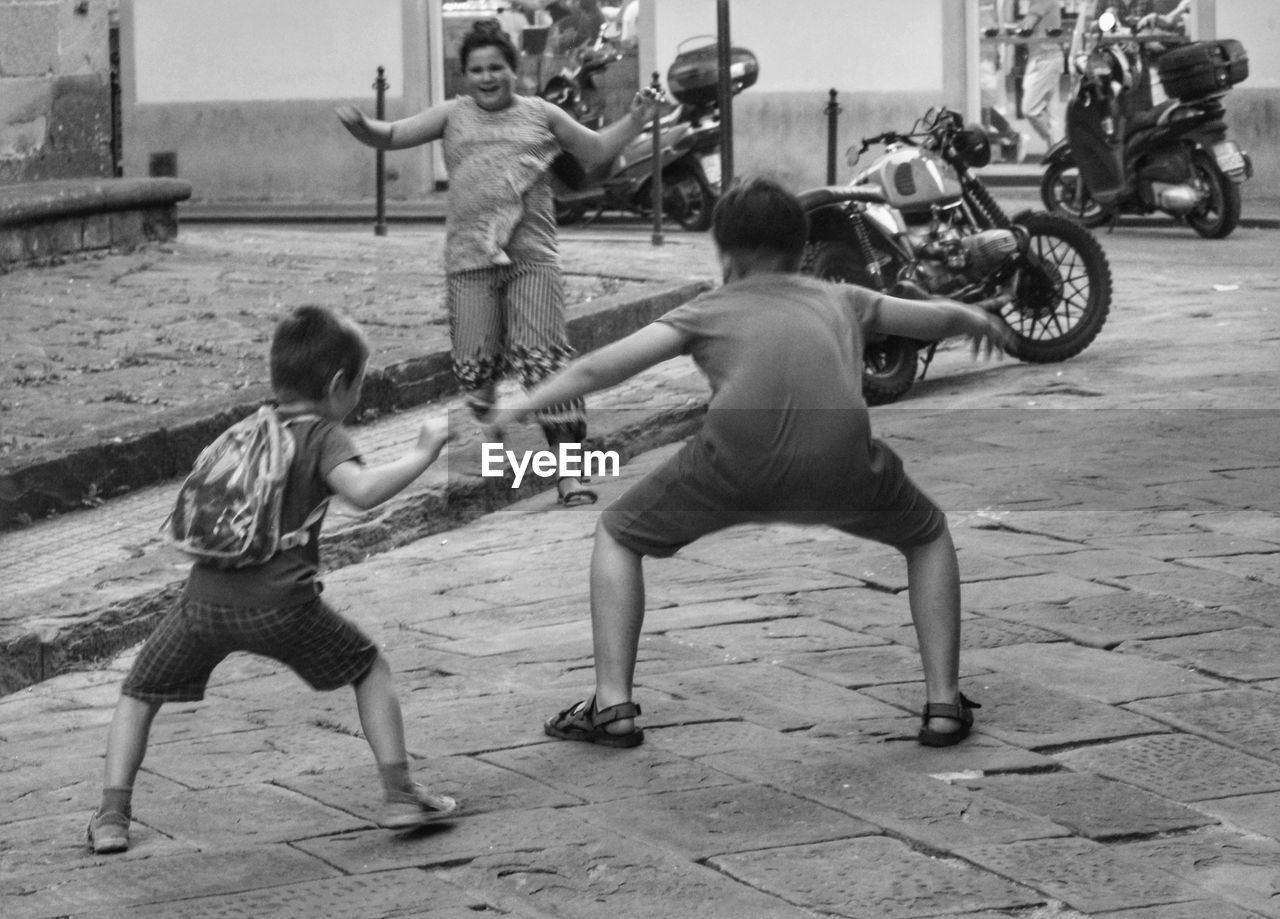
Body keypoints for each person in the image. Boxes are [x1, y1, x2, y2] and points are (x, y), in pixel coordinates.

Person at [486, 178, 1012, 750]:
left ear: (726, 252)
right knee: (929, 535)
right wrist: (971, 317)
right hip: (844, 464)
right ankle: (942, 704)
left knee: (617, 535)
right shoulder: (842, 298)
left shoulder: (705, 310)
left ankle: (612, 703)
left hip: (731, 463)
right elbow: (927, 319)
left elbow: (595, 371)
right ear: (802, 245)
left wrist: (520, 406)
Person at [86, 305, 460, 855]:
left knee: (138, 695)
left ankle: (111, 817)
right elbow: (361, 493)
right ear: (338, 385)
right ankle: (400, 795)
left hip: (202, 605)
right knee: (369, 668)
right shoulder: (321, 436)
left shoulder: (243, 431)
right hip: (284, 608)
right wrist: (425, 451)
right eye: (357, 386)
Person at [337, 19, 665, 507]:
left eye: (496, 68)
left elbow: (596, 151)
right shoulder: (454, 114)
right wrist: (363, 128)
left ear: (515, 71)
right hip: (469, 261)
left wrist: (638, 119)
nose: (487, 77)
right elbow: (393, 134)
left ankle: (568, 474)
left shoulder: (541, 114)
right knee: (475, 368)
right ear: (464, 76)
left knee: (545, 364)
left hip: (531, 259)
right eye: (476, 70)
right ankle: (494, 435)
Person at [1017, 0, 1065, 148]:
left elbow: (1026, 25)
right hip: (1041, 57)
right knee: (1052, 111)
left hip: (1046, 58)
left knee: (1029, 108)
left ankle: (1055, 144)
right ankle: (1057, 148)